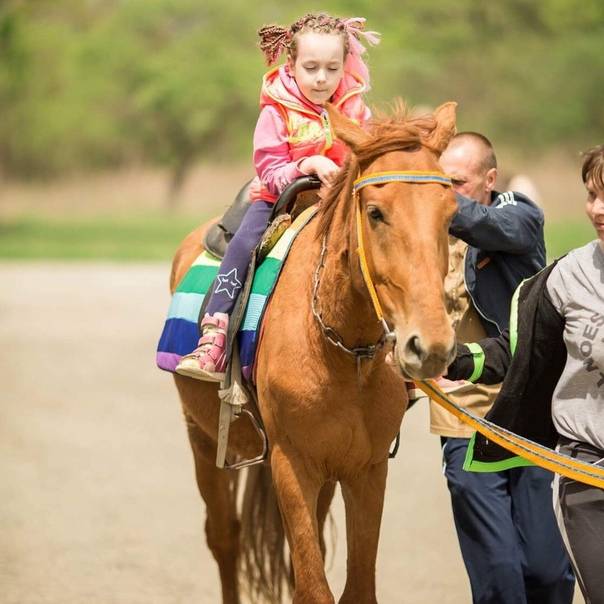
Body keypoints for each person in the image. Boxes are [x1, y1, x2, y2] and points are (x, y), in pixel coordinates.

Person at [175, 13, 379, 382]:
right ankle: (215, 334)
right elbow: (269, 170)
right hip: (280, 198)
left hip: (342, 202)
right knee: (245, 244)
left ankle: (399, 353)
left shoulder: (356, 109)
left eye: (332, 68)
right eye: (311, 67)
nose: (321, 78)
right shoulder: (277, 109)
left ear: (344, 66)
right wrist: (309, 164)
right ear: (292, 63)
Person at [447, 144, 604, 604]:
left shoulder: (519, 214)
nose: (598, 208)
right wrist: (452, 361)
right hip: (585, 473)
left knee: (548, 578)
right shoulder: (569, 277)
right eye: (592, 195)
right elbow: (520, 349)